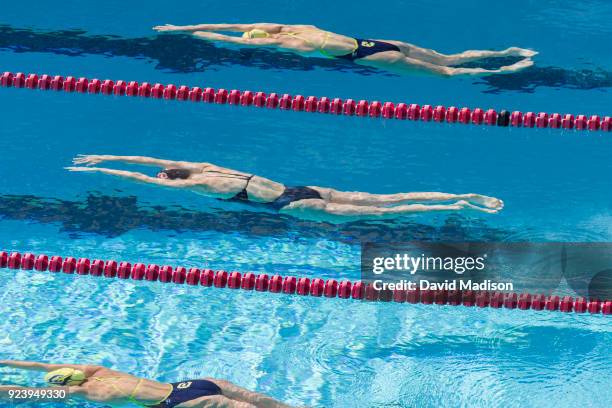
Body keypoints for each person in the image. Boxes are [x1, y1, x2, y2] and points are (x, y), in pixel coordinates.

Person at [65, 155, 503, 222]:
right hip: (301, 186)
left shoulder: (198, 186)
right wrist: (103, 155)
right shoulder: (202, 166)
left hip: (288, 204)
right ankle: (459, 193)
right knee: (382, 198)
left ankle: (463, 205)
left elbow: (138, 175)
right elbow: (149, 160)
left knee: (382, 214)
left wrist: (99, 172)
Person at [153, 22, 536, 76]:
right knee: (450, 57)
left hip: (369, 56)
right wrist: (184, 26)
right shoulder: (292, 26)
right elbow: (231, 25)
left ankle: (505, 71)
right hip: (374, 41)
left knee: (449, 74)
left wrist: (189, 35)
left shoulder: (291, 42)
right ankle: (509, 49)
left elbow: (227, 36)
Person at [0, 360, 290, 407]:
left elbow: (27, 392)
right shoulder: (96, 370)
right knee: (272, 404)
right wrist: (7, 362)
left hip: (182, 402)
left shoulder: (87, 390)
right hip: (192, 384)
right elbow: (41, 366)